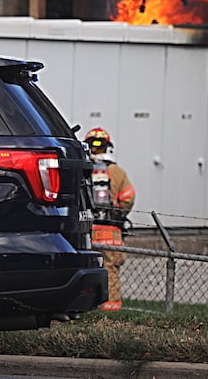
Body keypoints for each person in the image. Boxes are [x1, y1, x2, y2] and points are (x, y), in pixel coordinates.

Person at [84, 127, 135, 311]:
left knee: (86, 268)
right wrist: (119, 214)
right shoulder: (118, 172)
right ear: (108, 147)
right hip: (111, 232)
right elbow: (128, 198)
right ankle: (111, 309)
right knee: (110, 270)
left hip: (87, 231)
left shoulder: (83, 170)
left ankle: (87, 308)